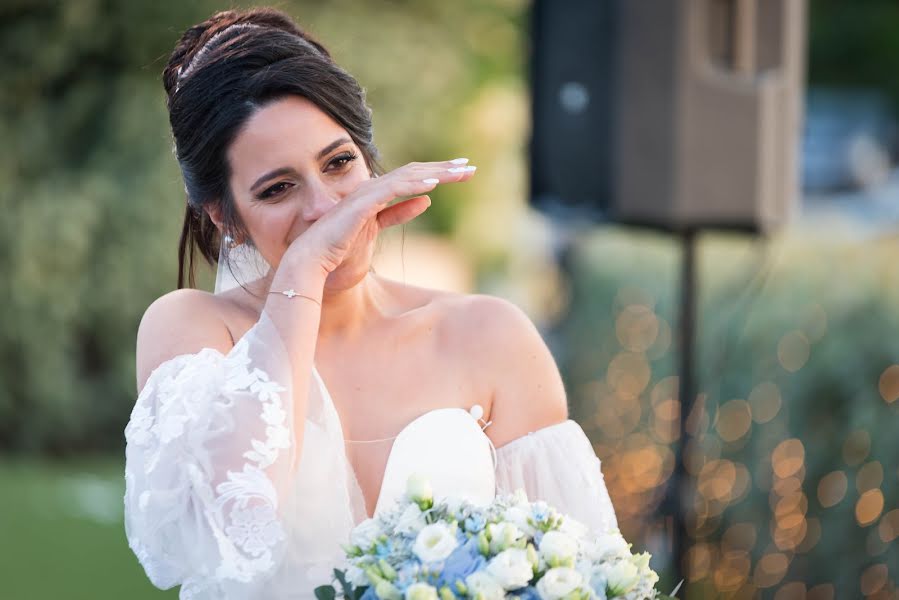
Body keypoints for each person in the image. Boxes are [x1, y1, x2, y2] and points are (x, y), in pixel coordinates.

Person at [123, 7, 618, 599]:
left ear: (369, 161)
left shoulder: (491, 337)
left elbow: (577, 573)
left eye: (338, 163)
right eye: (278, 189)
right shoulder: (193, 329)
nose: (325, 207)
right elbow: (221, 532)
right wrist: (304, 271)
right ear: (224, 217)